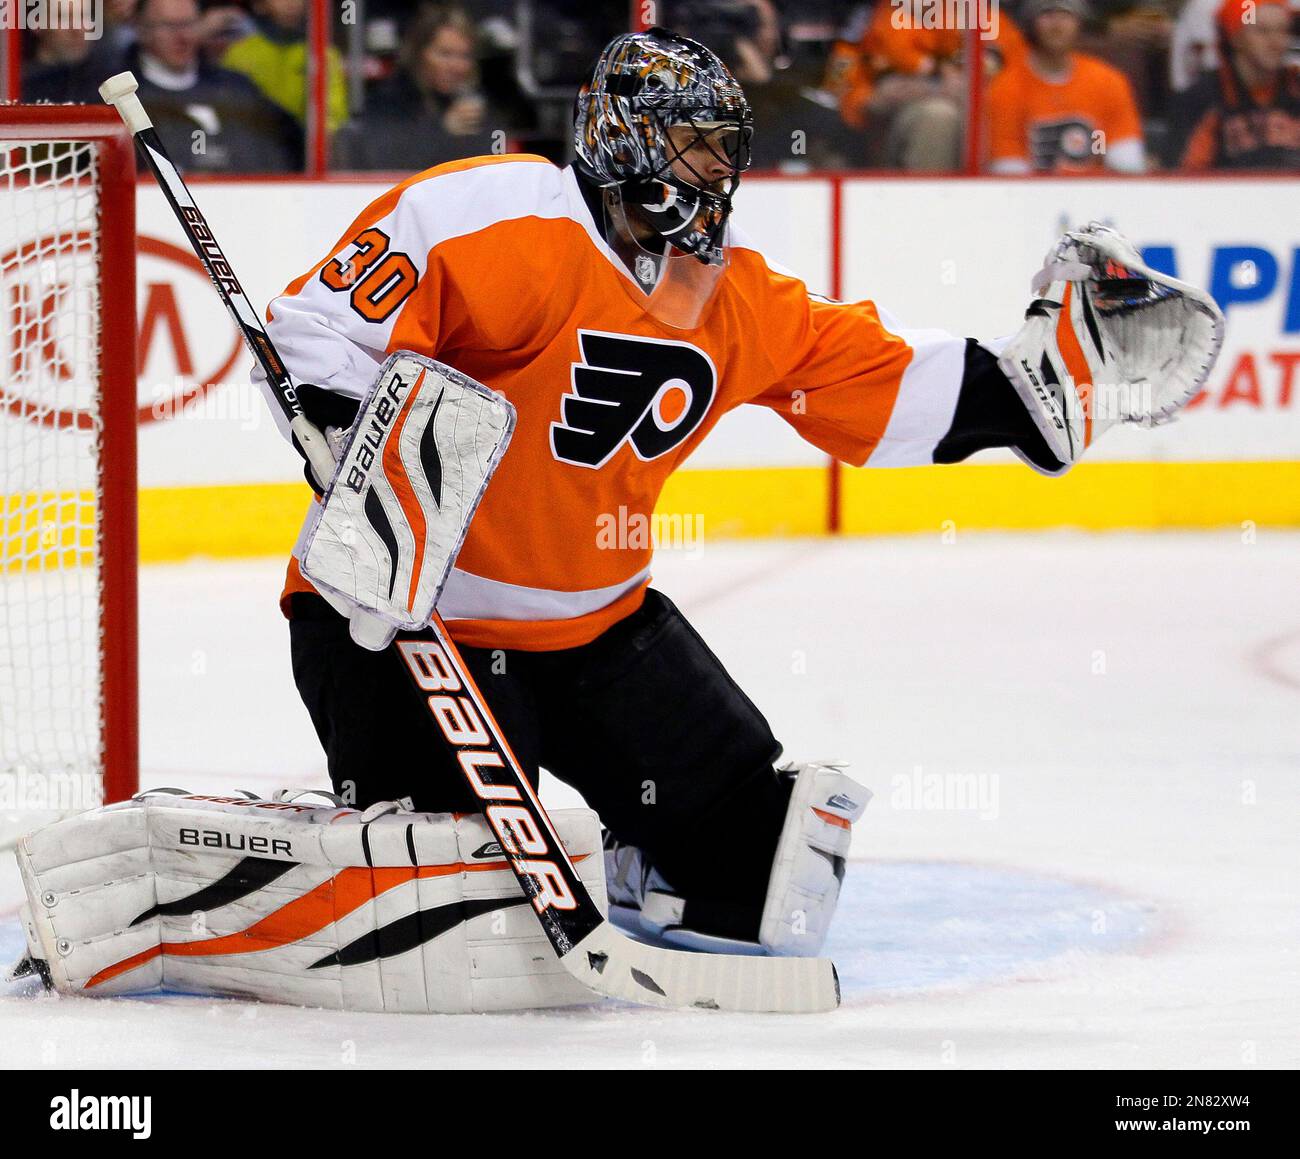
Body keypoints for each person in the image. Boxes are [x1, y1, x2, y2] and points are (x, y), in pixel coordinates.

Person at [256, 28, 1215, 958]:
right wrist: (344, 429)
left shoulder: (724, 290)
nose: (720, 170)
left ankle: (640, 858)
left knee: (766, 881)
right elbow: (310, 331)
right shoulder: (490, 214)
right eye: (699, 144)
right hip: (407, 633)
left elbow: (870, 377)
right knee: (451, 922)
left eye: (728, 149)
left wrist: (1033, 392)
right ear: (626, 133)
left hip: (595, 635)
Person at [824, 1, 1026, 170]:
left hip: (981, 132)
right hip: (881, 131)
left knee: (943, 114)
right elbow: (839, 76)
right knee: (936, 116)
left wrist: (944, 85)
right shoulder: (870, 16)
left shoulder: (979, 16)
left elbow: (1016, 78)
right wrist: (866, 100)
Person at [127, 0, 301, 174]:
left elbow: (288, 146)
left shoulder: (239, 89)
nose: (182, 36)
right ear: (141, 29)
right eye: (168, 25)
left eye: (189, 24)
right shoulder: (123, 99)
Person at [333, 5, 510, 171]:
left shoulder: (475, 105)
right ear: (419, 54)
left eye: (464, 56)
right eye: (445, 54)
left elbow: (493, 164)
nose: (457, 66)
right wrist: (442, 132)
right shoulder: (389, 103)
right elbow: (383, 164)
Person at [986, 0, 1147, 172]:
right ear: (1031, 23)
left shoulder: (1107, 82)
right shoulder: (1005, 89)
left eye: (1066, 14)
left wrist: (1102, 159)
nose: (1057, 24)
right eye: (1047, 13)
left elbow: (1126, 160)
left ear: (1079, 21)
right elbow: (1008, 170)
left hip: (1097, 192)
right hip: (1031, 194)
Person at [1168, 0, 1300, 169]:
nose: (1276, 42)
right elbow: (1182, 178)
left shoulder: (1296, 89)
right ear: (1236, 37)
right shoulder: (1201, 99)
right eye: (1262, 31)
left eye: (1282, 31)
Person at [220, 0, 348, 134]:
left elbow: (332, 118)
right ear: (260, 5)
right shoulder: (239, 55)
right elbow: (231, 118)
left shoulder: (323, 54)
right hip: (256, 146)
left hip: (302, 148)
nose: (291, 3)